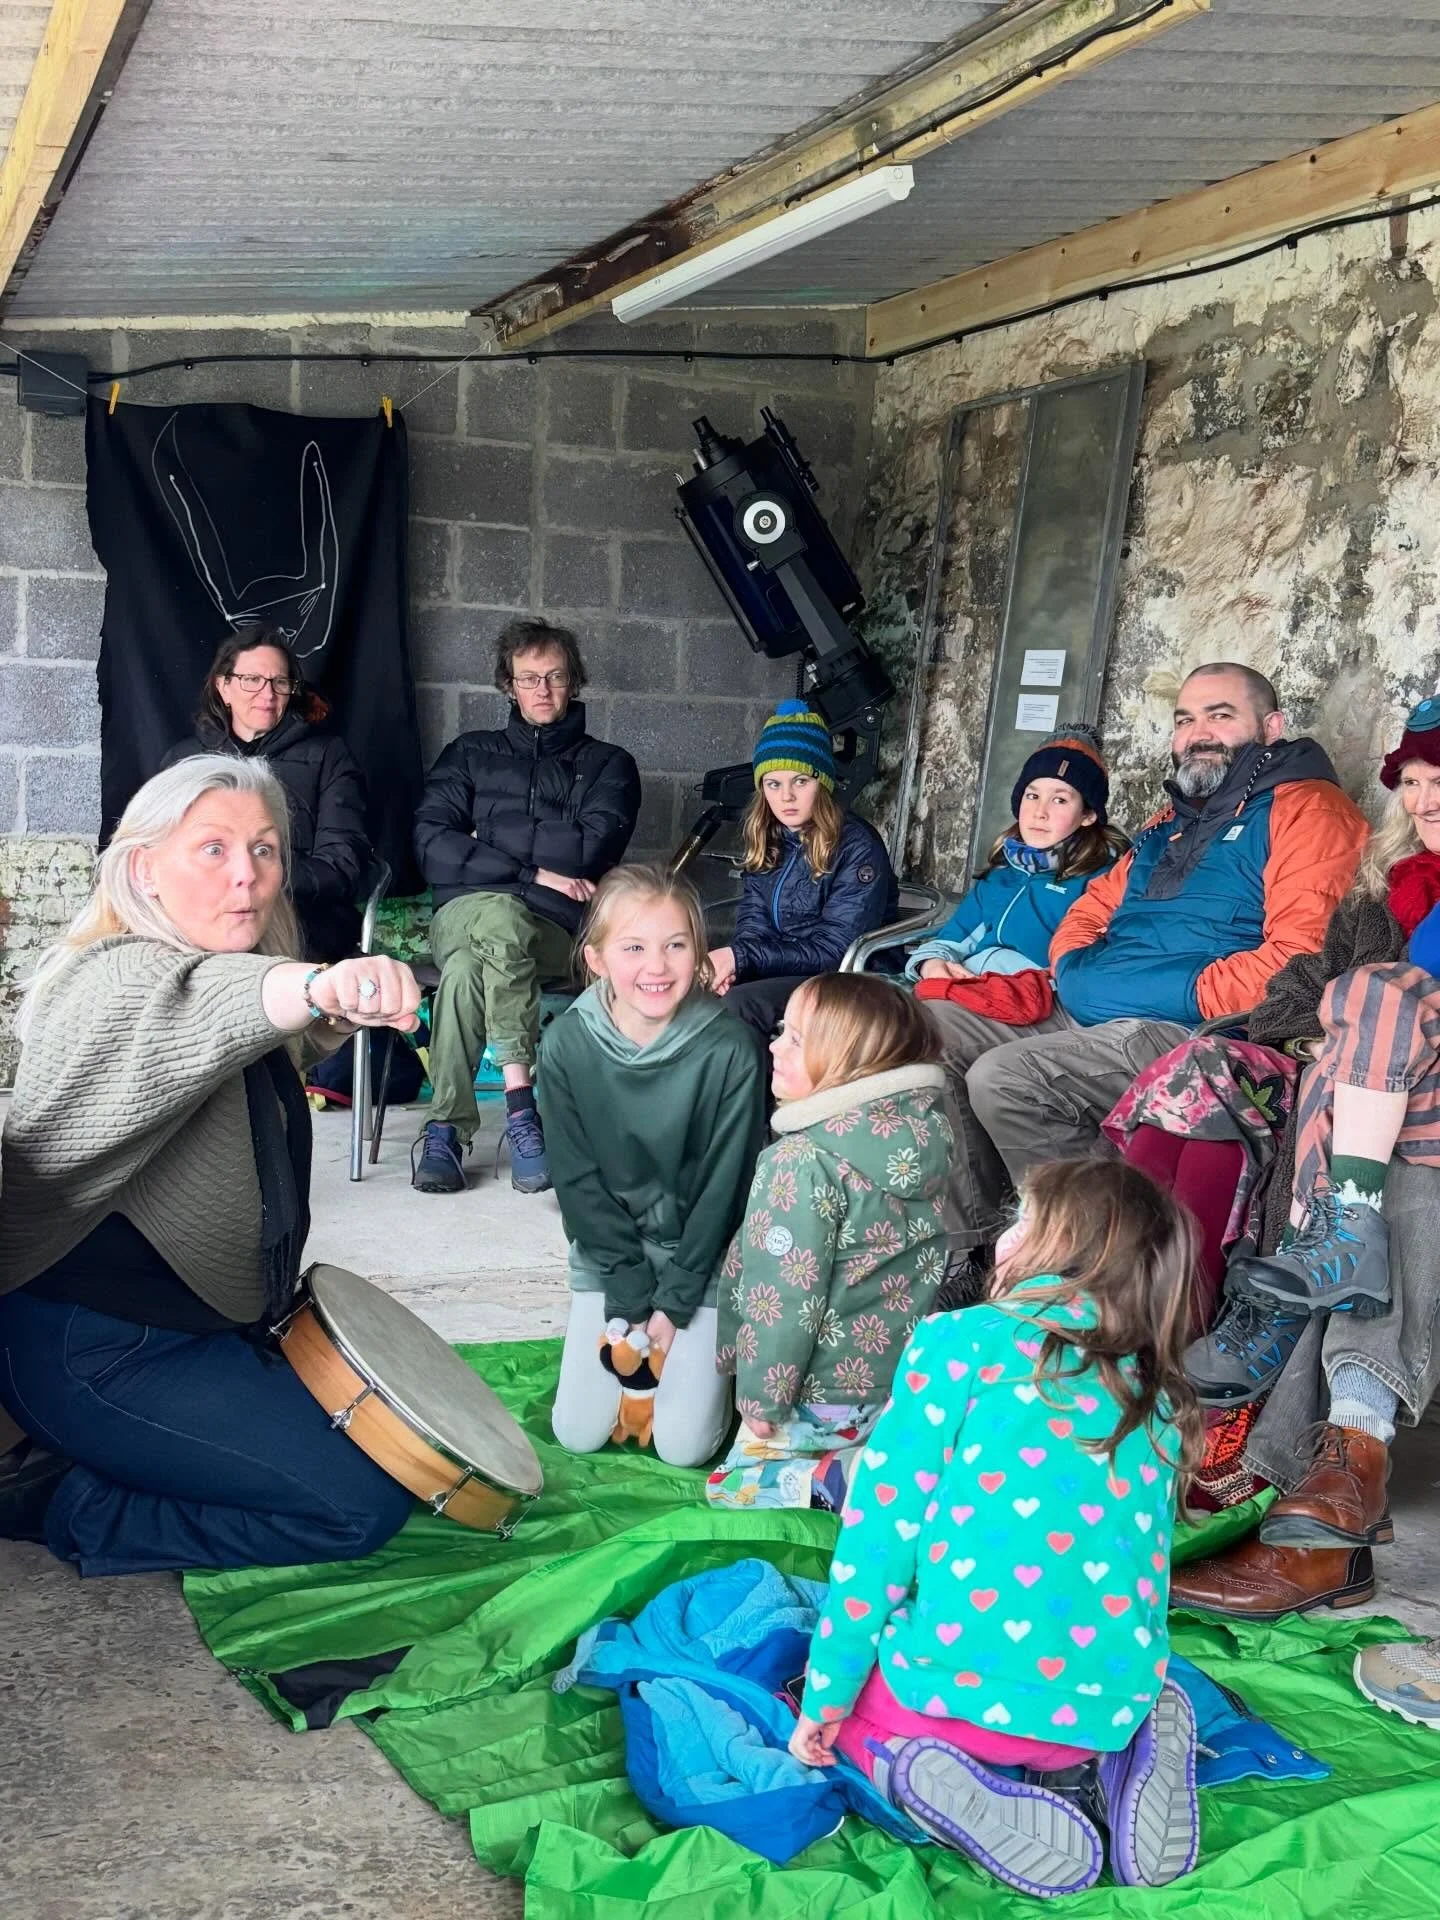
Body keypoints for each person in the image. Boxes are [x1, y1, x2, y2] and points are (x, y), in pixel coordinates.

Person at [0, 757, 423, 1572]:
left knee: (391, 1444)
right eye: (214, 850)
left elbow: (254, 1032)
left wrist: (326, 1008)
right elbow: (204, 1008)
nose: (249, 878)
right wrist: (328, 981)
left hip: (201, 1333)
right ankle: (67, 1502)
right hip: (98, 1351)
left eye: (266, 850)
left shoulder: (214, 976)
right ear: (143, 869)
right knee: (357, 1506)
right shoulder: (113, 976)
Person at [786, 1158, 1202, 1897]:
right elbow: (1147, 1573)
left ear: (1054, 1247)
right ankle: (1112, 1763)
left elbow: (876, 1544)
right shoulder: (1160, 1394)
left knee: (848, 1723)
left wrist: (825, 1700)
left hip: (953, 1707)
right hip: (1101, 1703)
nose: (1003, 1238)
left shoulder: (958, 1342)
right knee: (1089, 1666)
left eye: (1021, 1221)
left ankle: (920, 1776)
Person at [925, 663, 1369, 1267]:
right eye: (1185, 719)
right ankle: (976, 1247)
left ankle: (1082, 1264)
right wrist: (1078, 969)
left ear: (1272, 726)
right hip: (1084, 1003)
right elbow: (1089, 911)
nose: (1198, 732)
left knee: (1004, 1078)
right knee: (927, 1032)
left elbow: (1296, 959)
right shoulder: (1171, 822)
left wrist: (1180, 990)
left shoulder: (1309, 810)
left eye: (1220, 715)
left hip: (1183, 1022)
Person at [1171, 697, 1440, 1626]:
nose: (1426, 794)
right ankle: (1339, 1485)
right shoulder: (1390, 892)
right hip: (1407, 1124)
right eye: (1413, 778)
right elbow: (1296, 995)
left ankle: (1306, 1467)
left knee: (1374, 1007)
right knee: (1372, 1096)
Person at [542, 865, 766, 1468]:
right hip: (610, 1253)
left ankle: (715, 1366)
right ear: (596, 958)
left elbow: (727, 1186)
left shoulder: (731, 1048)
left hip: (700, 1255)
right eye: (634, 947)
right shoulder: (565, 1044)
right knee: (577, 1433)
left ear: (700, 952)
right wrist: (627, 1290)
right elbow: (576, 1179)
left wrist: (675, 1302)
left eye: (676, 945)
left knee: (684, 1447)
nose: (657, 967)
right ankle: (639, 1363)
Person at [706, 974, 953, 1511]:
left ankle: (846, 1482)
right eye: (781, 1031)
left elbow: (783, 1299)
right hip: (889, 1385)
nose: (774, 1044)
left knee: (729, 1490)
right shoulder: (926, 1139)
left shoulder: (799, 1162)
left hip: (817, 1392)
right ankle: (883, 1454)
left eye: (796, 1039)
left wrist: (761, 1397)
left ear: (848, 1066)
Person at [411, 618, 641, 1196]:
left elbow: (590, 848)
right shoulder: (468, 753)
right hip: (461, 917)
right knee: (498, 918)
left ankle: (447, 1128)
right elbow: (431, 844)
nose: (542, 689)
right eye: (529, 678)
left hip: (556, 931)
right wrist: (533, 871)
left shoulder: (609, 764)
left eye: (556, 677)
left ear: (574, 683)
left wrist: (483, 836)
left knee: (468, 972)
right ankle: (521, 1107)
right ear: (508, 686)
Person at [163, 624, 371, 963]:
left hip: (302, 921)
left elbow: (341, 865)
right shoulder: (183, 761)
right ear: (223, 687)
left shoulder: (330, 757)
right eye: (251, 680)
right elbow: (162, 857)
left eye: (280, 682)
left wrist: (257, 884)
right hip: (200, 923)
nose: (268, 694)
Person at [708, 702, 898, 1038]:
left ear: (822, 783)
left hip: (847, 977)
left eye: (800, 781)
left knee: (741, 1006)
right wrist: (737, 966)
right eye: (773, 784)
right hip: (786, 968)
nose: (786, 797)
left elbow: (835, 950)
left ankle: (758, 1090)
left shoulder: (856, 845)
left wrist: (742, 957)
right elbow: (754, 924)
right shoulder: (769, 836)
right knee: (700, 993)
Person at [906, 725, 1125, 984]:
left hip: (1036, 1003)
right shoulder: (1002, 872)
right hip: (970, 989)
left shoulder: (1103, 884)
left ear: (1088, 815)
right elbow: (953, 937)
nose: (1039, 812)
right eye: (1032, 795)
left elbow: (1087, 972)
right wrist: (929, 964)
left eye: (1060, 800)